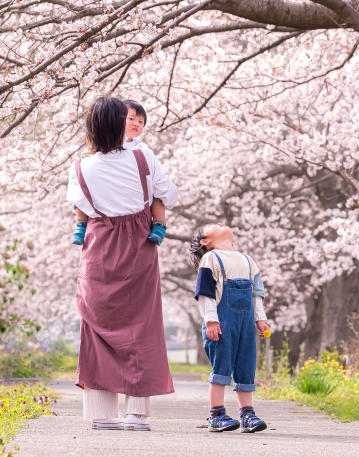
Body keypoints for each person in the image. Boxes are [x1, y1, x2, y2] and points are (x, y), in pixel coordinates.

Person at [66, 97, 177, 431]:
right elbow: (168, 196)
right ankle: (136, 414)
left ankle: (101, 413)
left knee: (96, 323)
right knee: (140, 323)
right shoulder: (142, 157)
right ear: (120, 125)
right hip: (139, 243)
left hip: (98, 244)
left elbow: (81, 208)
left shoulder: (80, 166)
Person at [190, 223, 270, 433]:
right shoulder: (211, 258)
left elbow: (257, 293)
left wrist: (260, 319)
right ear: (205, 241)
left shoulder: (247, 259)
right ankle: (216, 415)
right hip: (221, 321)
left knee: (246, 366)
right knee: (221, 367)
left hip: (245, 323)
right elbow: (205, 292)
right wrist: (211, 321)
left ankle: (247, 414)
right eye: (211, 225)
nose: (220, 223)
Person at [71, 99, 168, 245]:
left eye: (141, 122)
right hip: (137, 235)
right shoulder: (144, 155)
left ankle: (159, 224)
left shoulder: (141, 151)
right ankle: (80, 224)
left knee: (157, 195)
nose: (136, 123)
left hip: (99, 238)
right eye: (130, 119)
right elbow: (168, 192)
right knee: (79, 198)